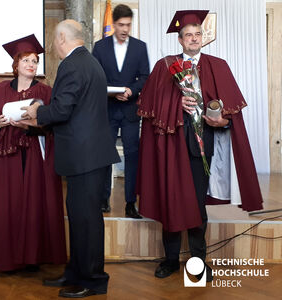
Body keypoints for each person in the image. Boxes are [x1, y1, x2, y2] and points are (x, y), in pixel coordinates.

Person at [137, 10, 263, 281]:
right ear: (180, 40)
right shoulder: (164, 66)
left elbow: (229, 113)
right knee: (170, 200)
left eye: (198, 34)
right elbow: (148, 109)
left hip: (200, 147)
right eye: (188, 35)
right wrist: (175, 103)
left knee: (196, 204)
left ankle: (198, 262)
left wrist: (223, 123)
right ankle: (170, 260)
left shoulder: (218, 65)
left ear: (203, 38)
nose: (193, 39)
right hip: (170, 146)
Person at [21, 20, 120, 298]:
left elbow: (63, 109)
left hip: (85, 157)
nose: (53, 46)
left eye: (54, 40)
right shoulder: (89, 61)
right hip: (89, 155)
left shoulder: (72, 65)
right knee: (80, 219)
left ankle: (93, 280)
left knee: (86, 221)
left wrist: (36, 113)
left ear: (62, 38)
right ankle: (76, 272)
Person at [0, 34, 67, 272]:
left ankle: (32, 257)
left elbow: (55, 124)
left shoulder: (45, 92)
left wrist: (31, 124)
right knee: (8, 207)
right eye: (26, 60)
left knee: (34, 206)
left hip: (36, 155)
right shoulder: (0, 90)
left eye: (35, 61)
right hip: (7, 158)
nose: (31, 65)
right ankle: (7, 259)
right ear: (16, 64)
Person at [92, 4, 150, 218]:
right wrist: (110, 92)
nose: (125, 29)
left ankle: (130, 203)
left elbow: (146, 77)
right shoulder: (100, 47)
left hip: (130, 111)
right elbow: (94, 77)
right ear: (114, 24)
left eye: (128, 25)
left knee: (133, 157)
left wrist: (130, 90)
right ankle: (103, 199)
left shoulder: (140, 47)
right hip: (107, 109)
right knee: (105, 156)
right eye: (122, 25)